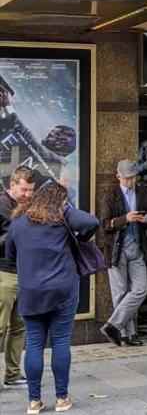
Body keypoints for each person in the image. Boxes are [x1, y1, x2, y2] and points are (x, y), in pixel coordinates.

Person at [5, 182, 99, 414]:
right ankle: (61, 398)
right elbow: (91, 223)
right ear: (60, 202)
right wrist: (65, 210)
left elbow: (10, 254)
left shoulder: (18, 223)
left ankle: (34, 402)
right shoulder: (61, 218)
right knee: (60, 342)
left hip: (30, 292)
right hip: (63, 290)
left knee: (34, 344)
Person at [98, 160, 147, 347]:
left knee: (141, 289)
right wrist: (125, 219)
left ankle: (113, 325)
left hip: (137, 247)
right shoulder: (110, 195)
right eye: (127, 178)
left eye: (133, 177)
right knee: (120, 293)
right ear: (118, 176)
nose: (131, 181)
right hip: (116, 249)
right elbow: (105, 224)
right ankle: (128, 334)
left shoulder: (143, 191)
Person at [0, 167, 35, 390]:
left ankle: (12, 374)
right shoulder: (2, 205)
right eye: (24, 189)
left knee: (19, 326)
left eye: (31, 190)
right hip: (4, 272)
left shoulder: (26, 206)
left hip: (23, 272)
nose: (28, 194)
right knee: (0, 327)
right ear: (12, 185)